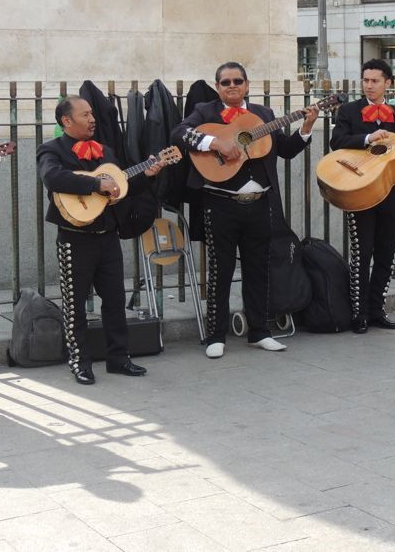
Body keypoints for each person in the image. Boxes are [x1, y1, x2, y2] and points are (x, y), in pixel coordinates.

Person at [172, 62, 318, 359]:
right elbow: (180, 133)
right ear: (218, 87)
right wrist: (217, 143)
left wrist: (306, 128)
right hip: (220, 204)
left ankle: (259, 331)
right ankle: (216, 335)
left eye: (237, 81)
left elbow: (286, 150)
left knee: (259, 268)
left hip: (260, 204)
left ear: (247, 85)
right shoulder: (206, 111)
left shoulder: (263, 115)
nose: (232, 86)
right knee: (220, 269)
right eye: (225, 82)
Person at [37, 96, 165, 385]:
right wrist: (95, 184)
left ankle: (119, 358)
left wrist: (147, 175)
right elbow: (53, 178)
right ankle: (79, 362)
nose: (92, 118)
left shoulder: (105, 151)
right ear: (66, 121)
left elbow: (121, 187)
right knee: (75, 304)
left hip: (107, 236)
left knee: (115, 300)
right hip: (74, 238)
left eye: (92, 113)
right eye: (85, 114)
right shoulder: (51, 150)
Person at [329, 59, 395, 334]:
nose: (369, 85)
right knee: (362, 254)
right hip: (360, 191)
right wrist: (367, 138)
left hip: (389, 192)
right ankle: (358, 314)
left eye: (375, 81)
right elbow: (336, 142)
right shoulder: (350, 111)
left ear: (388, 83)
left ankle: (377, 311)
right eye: (365, 80)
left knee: (386, 254)